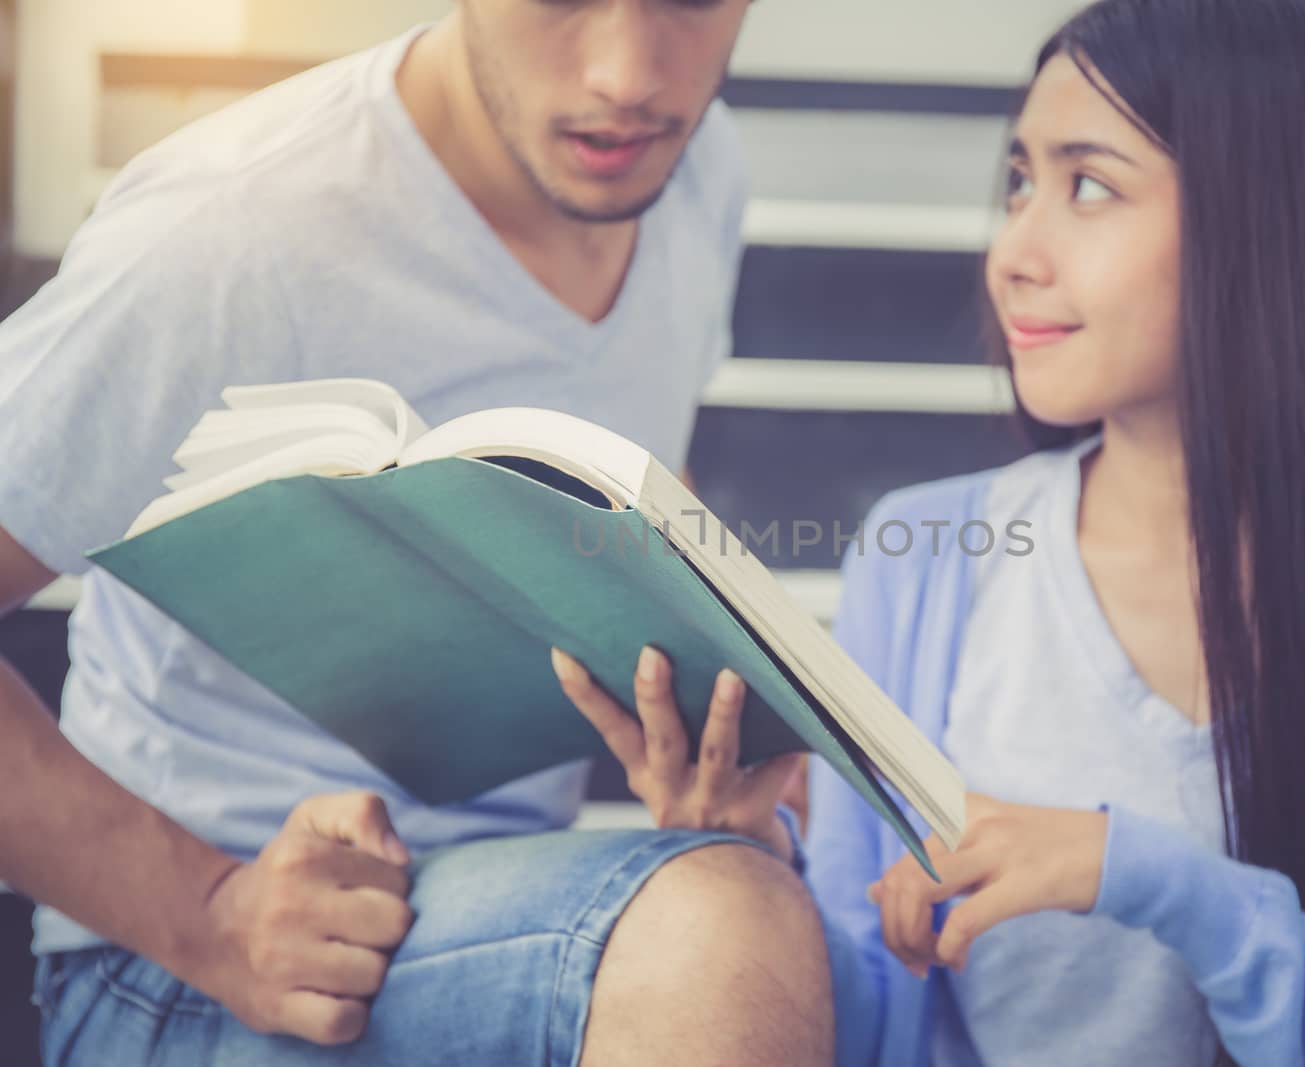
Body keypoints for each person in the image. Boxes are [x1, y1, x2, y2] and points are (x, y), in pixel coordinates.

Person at [0, 2, 839, 1064]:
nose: (629, 72)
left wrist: (731, 706)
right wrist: (208, 908)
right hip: (188, 965)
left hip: (493, 908)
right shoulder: (236, 228)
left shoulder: (690, 169)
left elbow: (622, 471)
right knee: (724, 937)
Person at [798, 1, 1305, 1064]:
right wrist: (734, 858)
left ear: (1265, 220)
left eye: (1087, 185)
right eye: (1018, 183)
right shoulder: (921, 557)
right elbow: (862, 1016)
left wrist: (1150, 880)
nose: (1012, 254)